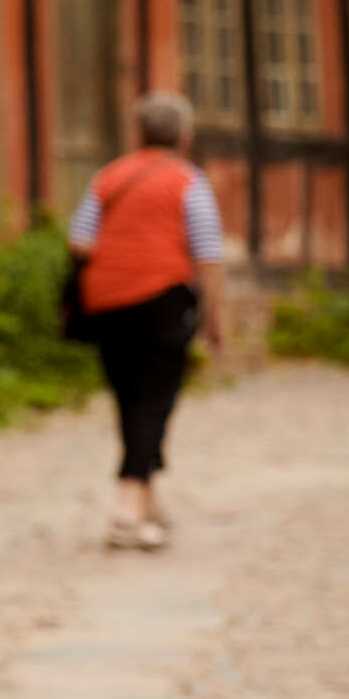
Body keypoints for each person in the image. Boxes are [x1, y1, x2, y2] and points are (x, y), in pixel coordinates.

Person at [67, 90, 225, 550]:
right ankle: (126, 506)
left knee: (129, 398)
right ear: (184, 135)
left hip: (108, 301)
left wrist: (120, 257)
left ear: (139, 133)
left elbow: (79, 240)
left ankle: (147, 503)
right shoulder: (187, 181)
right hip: (162, 300)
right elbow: (209, 255)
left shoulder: (109, 176)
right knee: (154, 400)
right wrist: (215, 317)